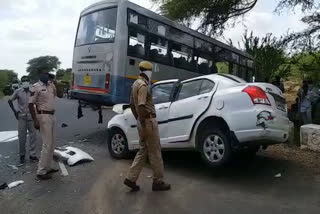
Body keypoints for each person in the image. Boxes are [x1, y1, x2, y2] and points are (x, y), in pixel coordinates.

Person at [124, 61, 171, 192]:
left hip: (142, 121)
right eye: (150, 72)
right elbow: (141, 105)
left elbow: (132, 105)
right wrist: (144, 126)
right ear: (148, 72)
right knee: (155, 152)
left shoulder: (135, 84)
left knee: (143, 150)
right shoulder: (143, 86)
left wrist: (138, 119)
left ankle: (130, 178)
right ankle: (158, 181)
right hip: (148, 122)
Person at [28, 71, 63, 180]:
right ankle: (41, 171)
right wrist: (35, 120)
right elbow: (30, 104)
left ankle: (48, 167)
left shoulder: (52, 85)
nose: (46, 76)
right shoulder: (36, 87)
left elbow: (61, 95)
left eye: (48, 74)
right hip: (43, 116)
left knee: (51, 144)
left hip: (52, 116)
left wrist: (56, 82)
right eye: (44, 74)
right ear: (40, 76)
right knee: (47, 144)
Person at [8, 76, 39, 164]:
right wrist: (15, 112)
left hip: (31, 117)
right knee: (22, 137)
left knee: (33, 137)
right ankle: (22, 155)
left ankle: (32, 155)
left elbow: (37, 102)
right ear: (21, 83)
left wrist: (37, 115)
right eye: (23, 81)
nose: (25, 82)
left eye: (26, 81)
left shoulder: (32, 91)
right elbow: (10, 101)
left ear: (29, 82)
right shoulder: (18, 91)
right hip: (22, 117)